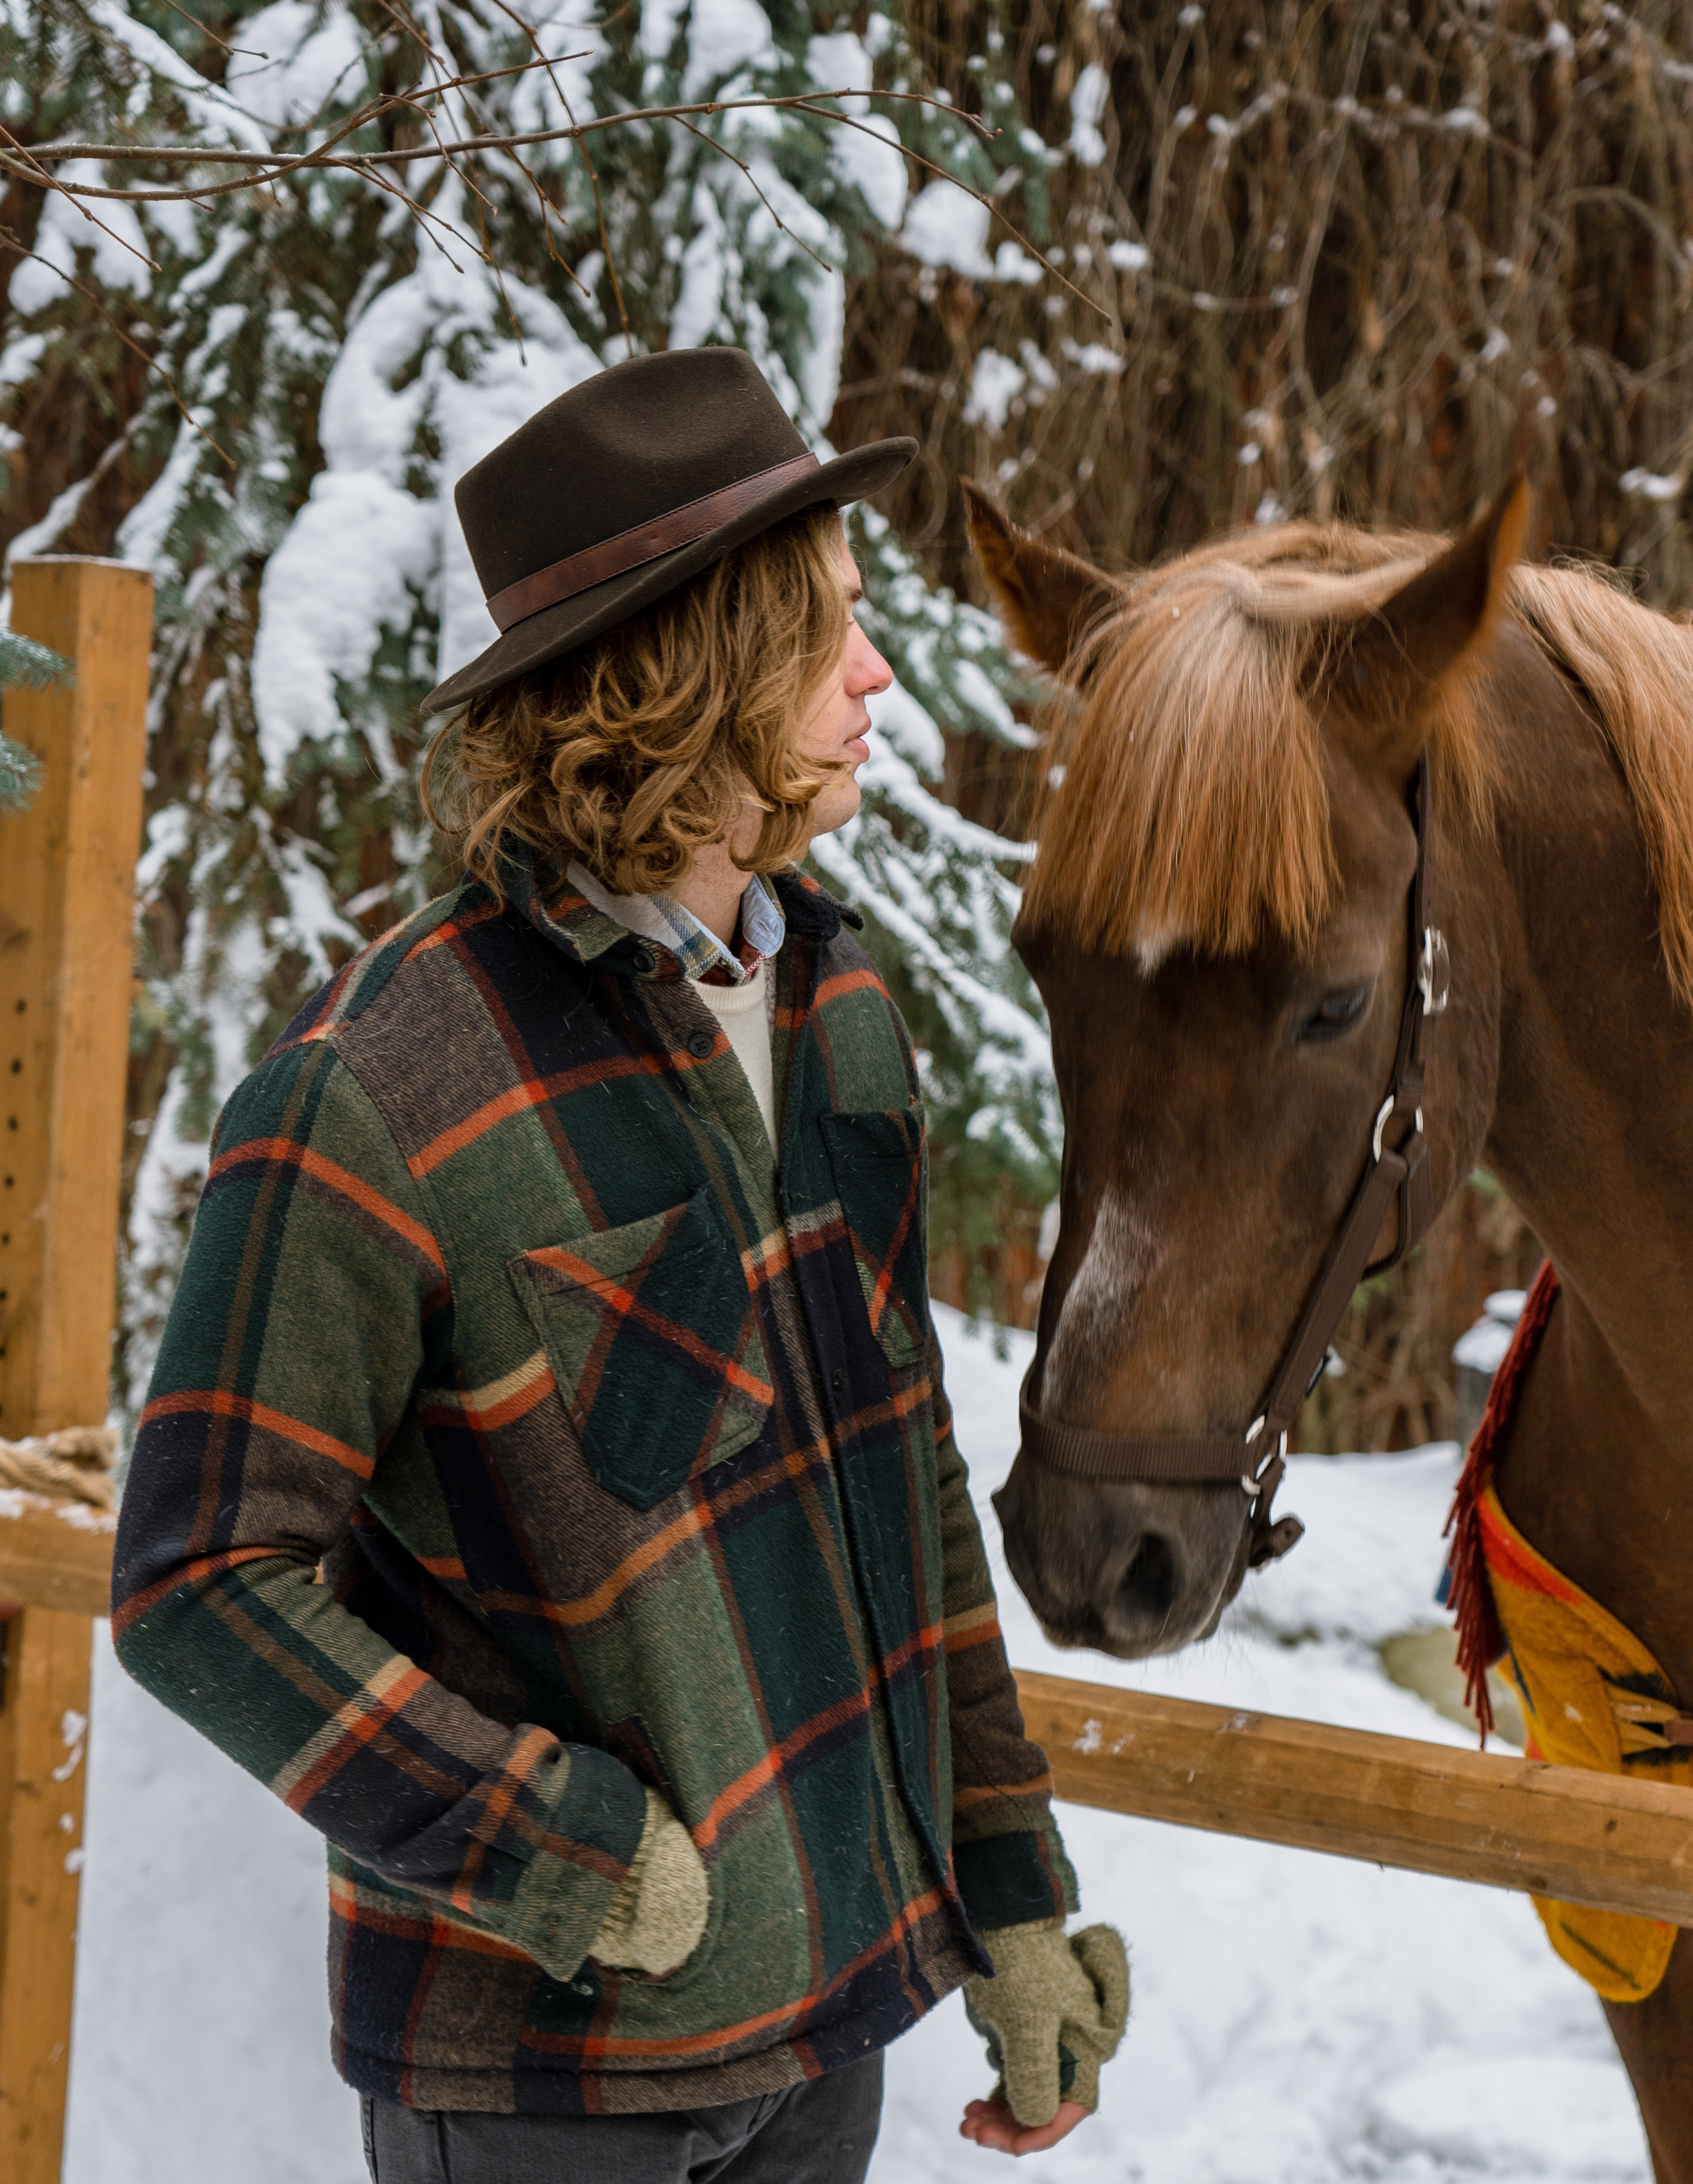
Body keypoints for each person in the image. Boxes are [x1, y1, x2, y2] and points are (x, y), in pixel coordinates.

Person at [112, 346, 1128, 2182]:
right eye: (826, 626)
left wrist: (1012, 1894)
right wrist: (554, 1849)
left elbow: (904, 1480)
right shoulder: (380, 1089)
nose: (877, 671)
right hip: (544, 2076)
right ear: (689, 667)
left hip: (827, 2026)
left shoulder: (845, 1003)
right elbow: (200, 1581)